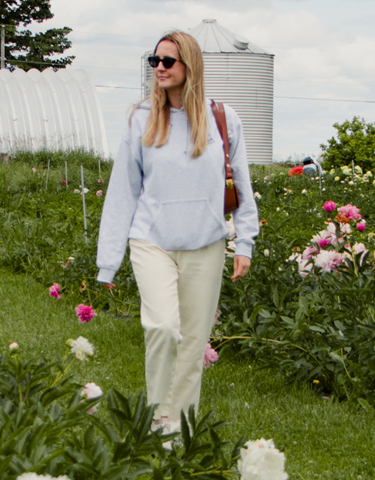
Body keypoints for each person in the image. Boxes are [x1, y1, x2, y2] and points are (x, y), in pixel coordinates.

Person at [96, 31, 259, 437]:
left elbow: (242, 183)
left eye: (168, 61)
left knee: (193, 342)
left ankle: (180, 428)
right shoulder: (141, 119)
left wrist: (245, 242)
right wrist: (108, 261)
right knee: (164, 327)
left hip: (206, 244)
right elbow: (122, 191)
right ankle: (155, 418)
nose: (160, 69)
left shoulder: (223, 118)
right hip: (152, 241)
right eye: (155, 61)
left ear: (190, 65)